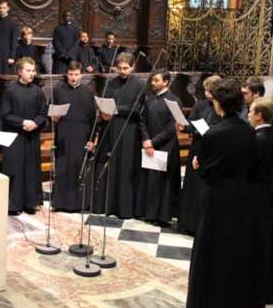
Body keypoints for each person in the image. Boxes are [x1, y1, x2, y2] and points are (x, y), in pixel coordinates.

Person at [185, 78, 255, 308]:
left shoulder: (215, 133)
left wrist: (197, 166)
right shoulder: (248, 130)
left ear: (219, 103)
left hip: (216, 199)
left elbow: (205, 169)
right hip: (240, 196)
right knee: (234, 253)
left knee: (211, 254)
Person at [93, 52, 145, 218]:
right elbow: (105, 102)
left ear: (132, 67)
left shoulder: (139, 84)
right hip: (111, 128)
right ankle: (107, 205)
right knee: (110, 165)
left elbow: (137, 108)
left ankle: (124, 208)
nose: (122, 71)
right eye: (119, 68)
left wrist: (116, 110)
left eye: (126, 68)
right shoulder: (111, 83)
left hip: (129, 131)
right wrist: (103, 111)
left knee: (125, 167)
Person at [1, 57, 48, 215]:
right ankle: (14, 205)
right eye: (28, 70)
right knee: (15, 169)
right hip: (15, 136)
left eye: (33, 70)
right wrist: (23, 122)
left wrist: (35, 123)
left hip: (31, 136)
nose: (32, 74)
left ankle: (30, 202)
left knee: (30, 169)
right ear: (20, 71)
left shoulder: (37, 91)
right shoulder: (10, 90)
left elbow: (43, 113)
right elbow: (5, 114)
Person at [177, 75, 222, 235]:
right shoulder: (201, 105)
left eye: (210, 91)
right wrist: (184, 127)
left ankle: (200, 225)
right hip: (196, 147)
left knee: (203, 187)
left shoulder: (221, 107)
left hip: (210, 150)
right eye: (205, 90)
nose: (207, 94)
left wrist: (202, 130)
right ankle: (187, 223)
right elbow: (192, 122)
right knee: (192, 185)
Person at [247, 96, 273, 308]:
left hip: (255, 195)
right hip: (268, 193)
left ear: (259, 115)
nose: (248, 114)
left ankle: (253, 292)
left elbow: (250, 169)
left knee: (254, 244)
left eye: (251, 111)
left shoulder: (258, 140)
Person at [135, 70, 181, 225]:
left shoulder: (174, 100)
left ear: (166, 82)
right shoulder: (149, 99)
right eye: (152, 80)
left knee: (162, 182)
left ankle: (161, 216)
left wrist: (152, 142)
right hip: (149, 144)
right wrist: (146, 139)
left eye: (156, 80)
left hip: (165, 146)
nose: (153, 83)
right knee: (148, 179)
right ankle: (147, 213)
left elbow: (170, 128)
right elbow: (142, 120)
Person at [52, 61, 96, 212]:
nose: (73, 78)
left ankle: (78, 204)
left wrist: (91, 139)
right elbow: (50, 110)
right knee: (62, 168)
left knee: (78, 168)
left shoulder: (88, 91)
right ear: (66, 74)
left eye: (76, 74)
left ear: (81, 75)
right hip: (63, 133)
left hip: (82, 134)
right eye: (71, 74)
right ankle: (60, 203)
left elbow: (93, 118)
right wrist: (53, 117)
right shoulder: (58, 90)